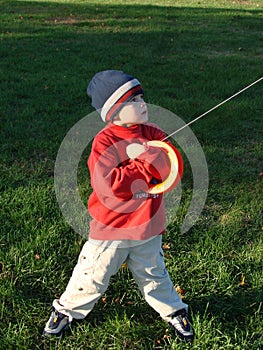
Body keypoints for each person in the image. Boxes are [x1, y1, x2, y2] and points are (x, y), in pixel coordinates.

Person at [43, 70, 194, 342]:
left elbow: (170, 168)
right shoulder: (105, 142)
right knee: (93, 274)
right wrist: (143, 163)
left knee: (154, 273)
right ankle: (66, 310)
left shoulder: (153, 133)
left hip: (147, 225)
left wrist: (148, 154)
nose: (142, 104)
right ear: (113, 112)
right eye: (133, 101)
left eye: (141, 97)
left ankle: (174, 310)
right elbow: (111, 186)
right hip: (111, 228)